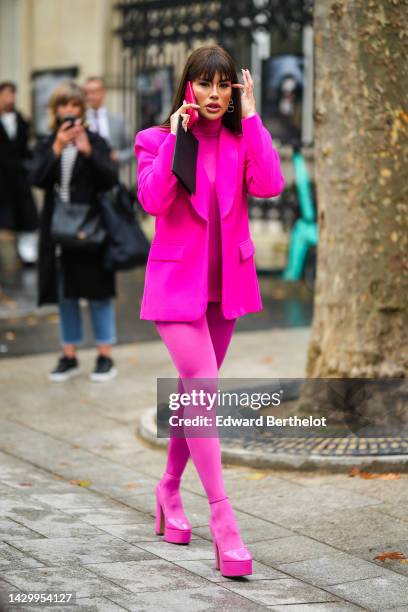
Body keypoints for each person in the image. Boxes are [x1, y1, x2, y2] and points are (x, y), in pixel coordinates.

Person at [134, 45, 285, 577]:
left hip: (227, 285)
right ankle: (224, 522)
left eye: (224, 85)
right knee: (200, 382)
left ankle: (169, 490)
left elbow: (270, 185)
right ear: (188, 88)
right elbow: (153, 201)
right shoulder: (155, 139)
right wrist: (177, 140)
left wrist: (255, 117)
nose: (215, 94)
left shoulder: (242, 138)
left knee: (191, 391)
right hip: (176, 284)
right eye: (205, 84)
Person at [30, 82, 119, 382]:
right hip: (57, 229)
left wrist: (88, 152)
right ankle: (68, 355)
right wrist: (56, 148)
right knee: (64, 292)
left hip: (91, 229)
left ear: (81, 110)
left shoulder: (96, 140)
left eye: (74, 105)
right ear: (55, 111)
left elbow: (109, 180)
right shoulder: (47, 143)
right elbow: (37, 179)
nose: (68, 111)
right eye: (62, 105)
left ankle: (105, 355)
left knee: (98, 292)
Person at [0, 81, 39, 265]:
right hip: (1, 177)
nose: (10, 98)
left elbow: (26, 149)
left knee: (26, 216)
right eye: (6, 94)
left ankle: (27, 254)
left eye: (12, 94)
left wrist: (29, 166)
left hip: (19, 177)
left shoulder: (21, 120)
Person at [84, 76, 133, 167]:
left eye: (94, 92)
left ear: (103, 93)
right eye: (87, 92)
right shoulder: (80, 121)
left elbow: (132, 149)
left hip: (111, 174)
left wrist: (118, 157)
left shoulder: (118, 121)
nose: (90, 96)